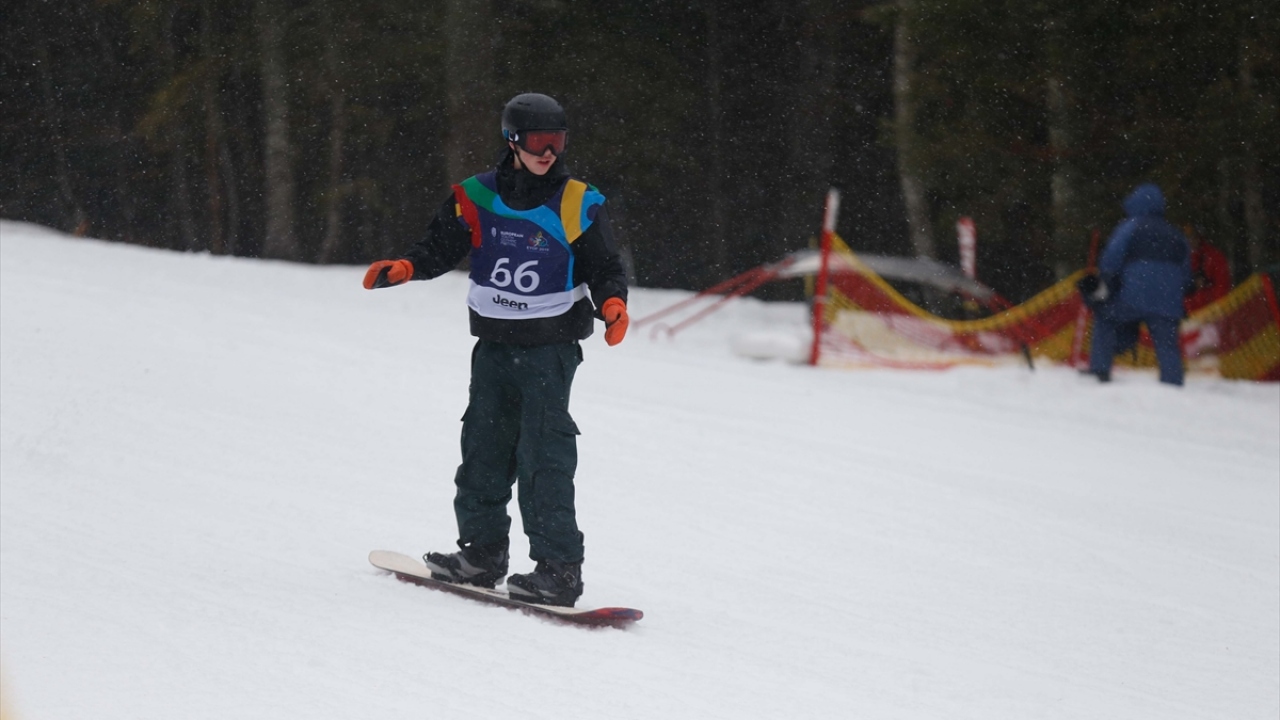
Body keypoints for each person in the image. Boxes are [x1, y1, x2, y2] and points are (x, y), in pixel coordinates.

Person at [362, 93, 630, 607]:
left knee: (543, 454)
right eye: (537, 141)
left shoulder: (577, 201)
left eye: (557, 141)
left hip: (549, 351)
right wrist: (406, 268)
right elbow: (440, 245)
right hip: (493, 346)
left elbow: (604, 265)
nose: (548, 152)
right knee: (482, 448)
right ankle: (481, 554)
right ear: (513, 141)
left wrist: (613, 303)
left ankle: (559, 569)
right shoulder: (477, 196)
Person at [1085, 183, 1192, 385]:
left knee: (1106, 317)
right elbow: (1186, 273)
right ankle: (1173, 382)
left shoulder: (1131, 226)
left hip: (1132, 296)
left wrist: (1105, 282)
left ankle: (1100, 369)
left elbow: (1111, 259)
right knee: (1167, 344)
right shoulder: (1176, 235)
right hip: (1168, 302)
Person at [1183, 225, 1232, 314]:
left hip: (1212, 313)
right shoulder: (1180, 261)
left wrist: (1216, 309)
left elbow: (1222, 286)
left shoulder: (1213, 257)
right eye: (1187, 238)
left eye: (1192, 237)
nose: (1190, 241)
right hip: (1190, 317)